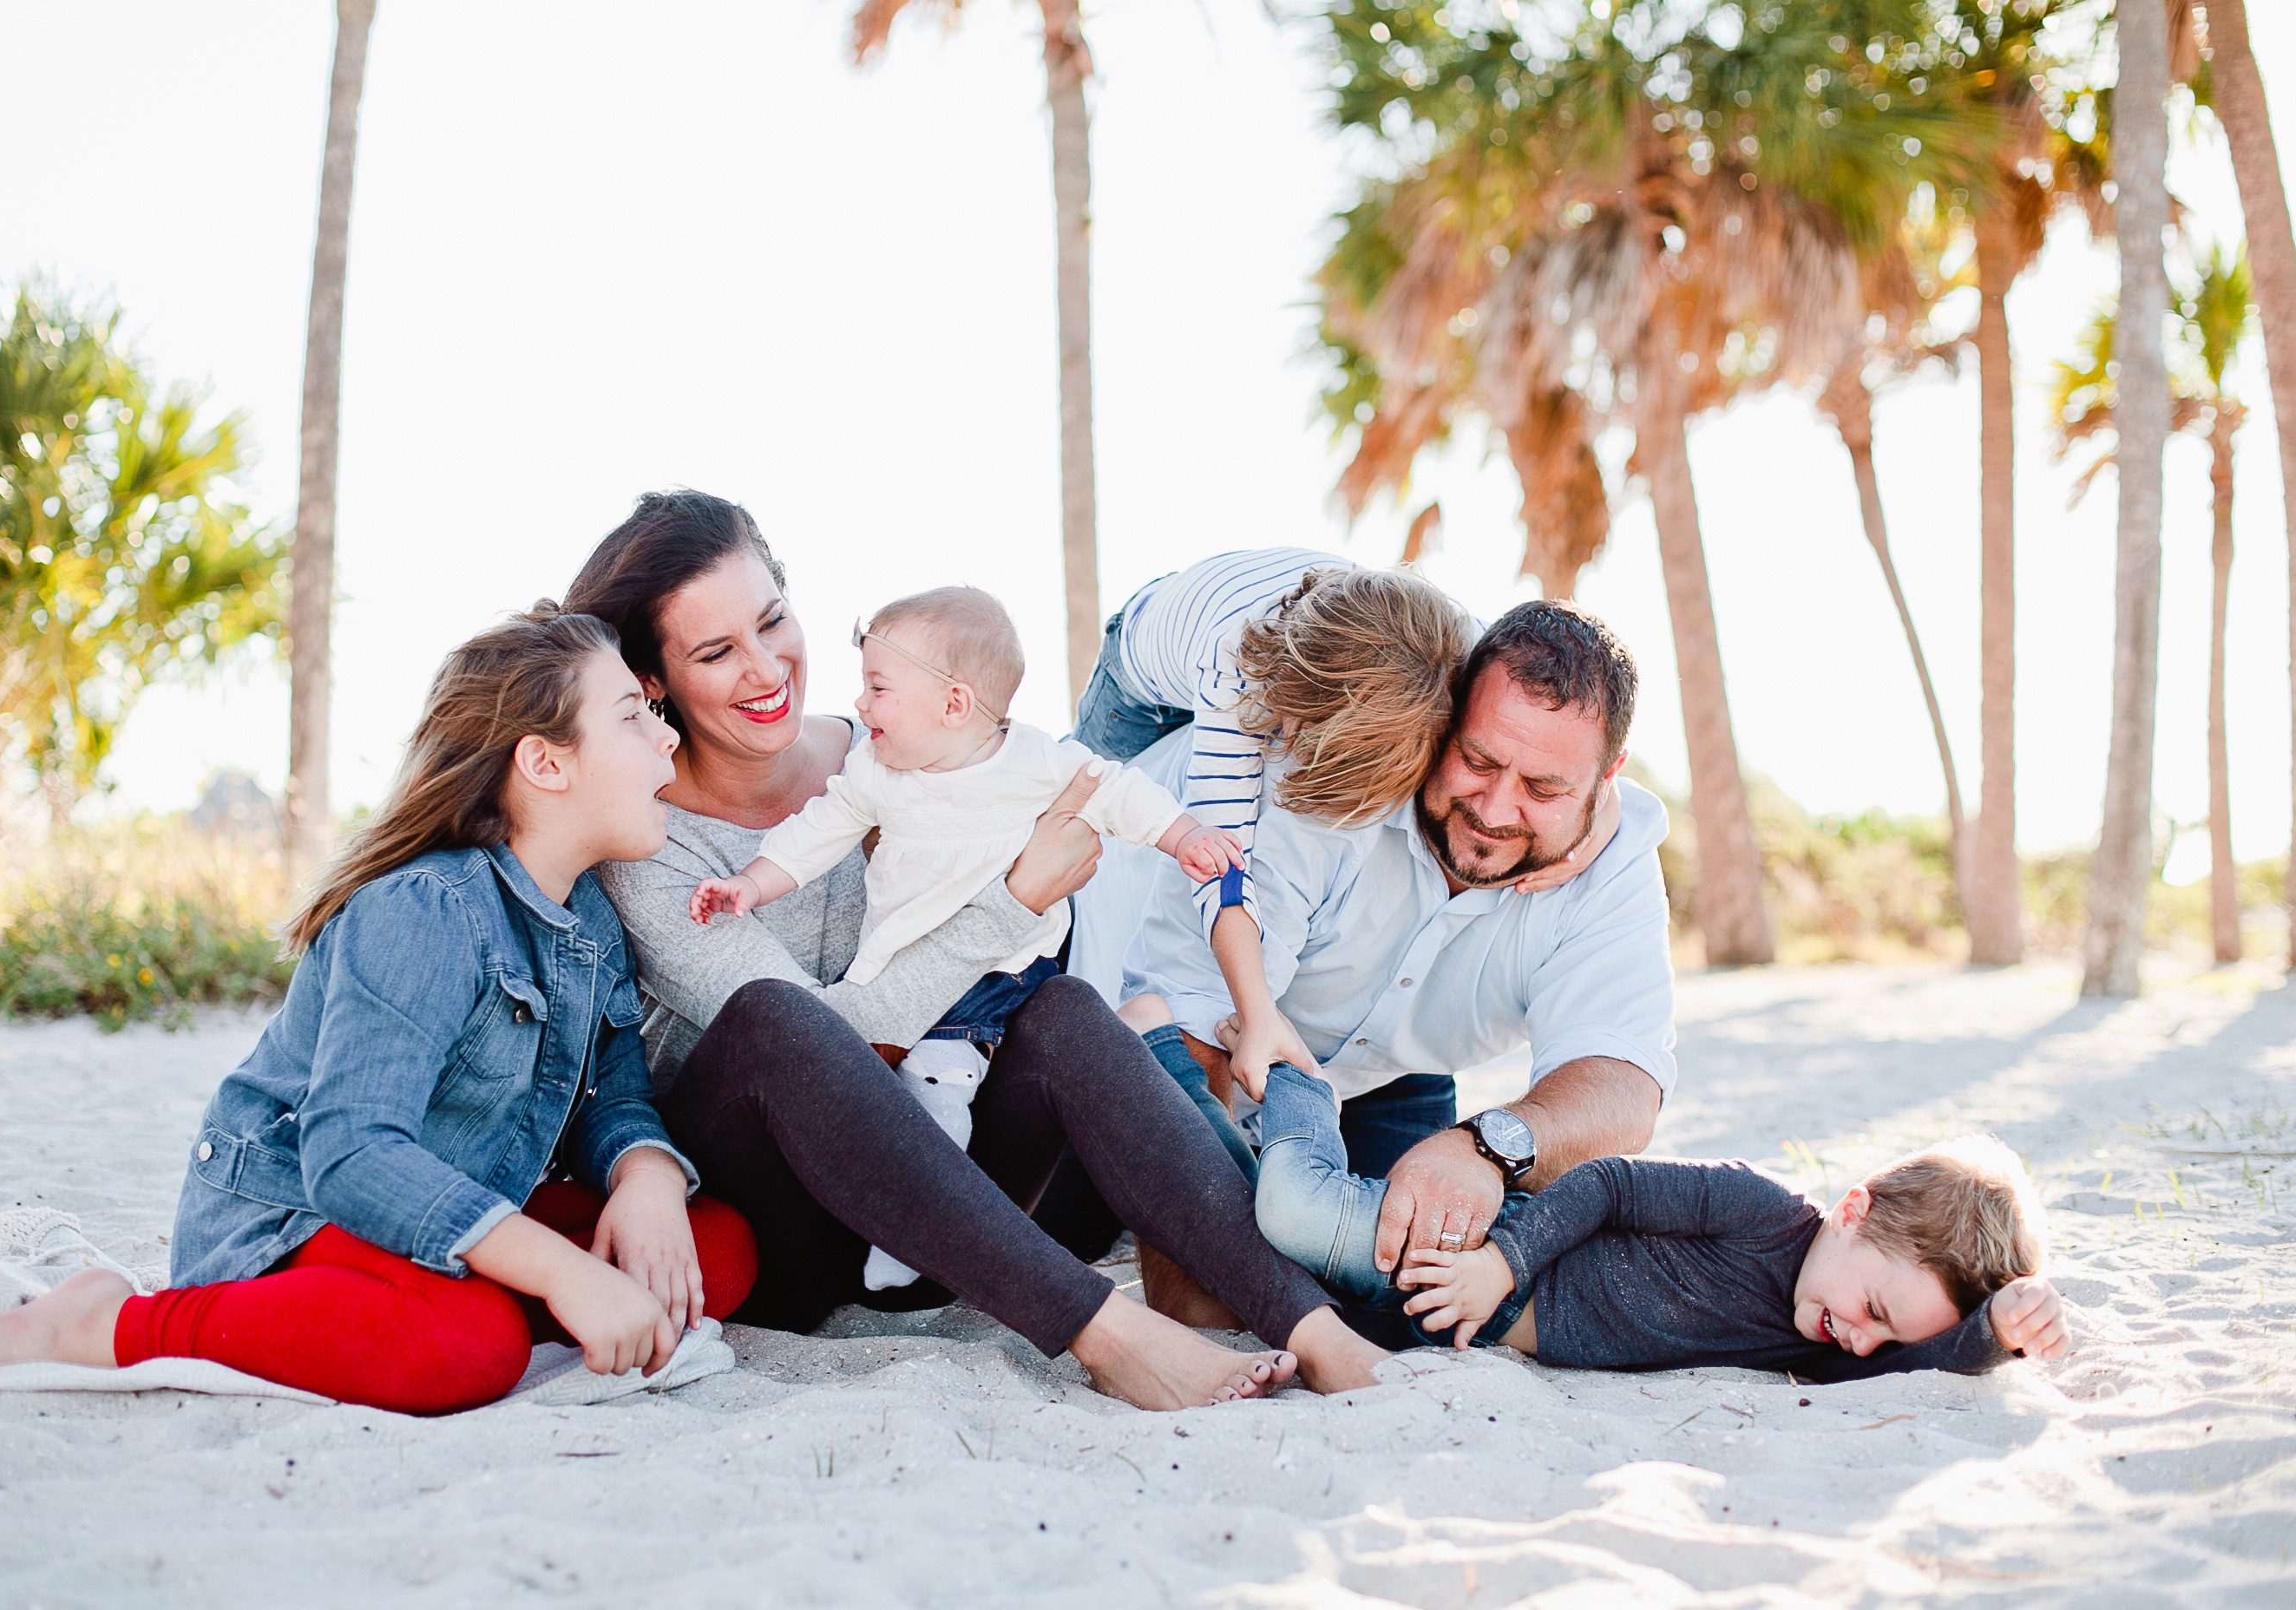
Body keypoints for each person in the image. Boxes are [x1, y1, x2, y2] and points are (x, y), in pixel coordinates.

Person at [566, 489, 1394, 1409]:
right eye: (716, 652)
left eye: (772, 621)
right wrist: (1015, 896)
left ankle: (1312, 1324)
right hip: (786, 1227)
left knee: (1065, 1008)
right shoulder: (649, 838)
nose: (767, 669)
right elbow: (826, 1046)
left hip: (946, 1207)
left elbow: (1059, 821)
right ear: (652, 681)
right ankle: (1109, 1333)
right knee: (776, 1016)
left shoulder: (896, 745)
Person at [0, 606, 759, 1416]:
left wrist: (643, 1177)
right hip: (301, 1216)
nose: (668, 734)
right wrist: (565, 1274)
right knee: (471, 1345)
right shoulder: (425, 911)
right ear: (545, 763)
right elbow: (351, 1153)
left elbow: (611, 1096)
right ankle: (109, 1322)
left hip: (457, 1208)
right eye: (631, 716)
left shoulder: (592, 921)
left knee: (711, 1245)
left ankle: (442, 1304)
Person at [1101, 599, 1676, 1339]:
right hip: (1132, 1022)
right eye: (1478, 760)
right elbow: (1188, 1017)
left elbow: (1623, 1082)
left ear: (1606, 780)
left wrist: (1491, 1145)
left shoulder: (1617, 857)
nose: (1497, 808)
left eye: (1545, 789)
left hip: (1382, 1078)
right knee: (1210, 1296)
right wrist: (1200, 1284)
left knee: (1402, 1297)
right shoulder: (1327, 770)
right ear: (1446, 718)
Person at [688, 585, 1241, 1291]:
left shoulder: (1036, 762)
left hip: (1008, 967)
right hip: (911, 966)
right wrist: (752, 885)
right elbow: (814, 833)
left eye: (879, 688)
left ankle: (910, 1242)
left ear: (954, 705)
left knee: (936, 1086)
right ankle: (924, 1227)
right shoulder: (877, 773)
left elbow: (1119, 792)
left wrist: (1184, 836)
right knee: (914, 1086)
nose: (860, 706)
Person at [1069, 548, 1614, 1093]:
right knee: (1074, 800)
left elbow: (1563, 739)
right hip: (1139, 685)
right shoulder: (1235, 694)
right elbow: (1222, 872)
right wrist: (1257, 1013)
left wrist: (1598, 825)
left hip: (1300, 619)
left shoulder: (1465, 653)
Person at [1255, 1063, 2072, 1377]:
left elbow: (1913, 1365)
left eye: (1884, 1336)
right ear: (1854, 1211)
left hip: (1452, 1329)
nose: (1860, 1336)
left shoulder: (1815, 1335)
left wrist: (1997, 1329)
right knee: (1294, 1211)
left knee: (1255, 1289)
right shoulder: (1761, 1211)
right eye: (1876, 1311)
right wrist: (1497, 1266)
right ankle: (1295, 1077)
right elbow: (1608, 1183)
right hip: (1470, 1259)